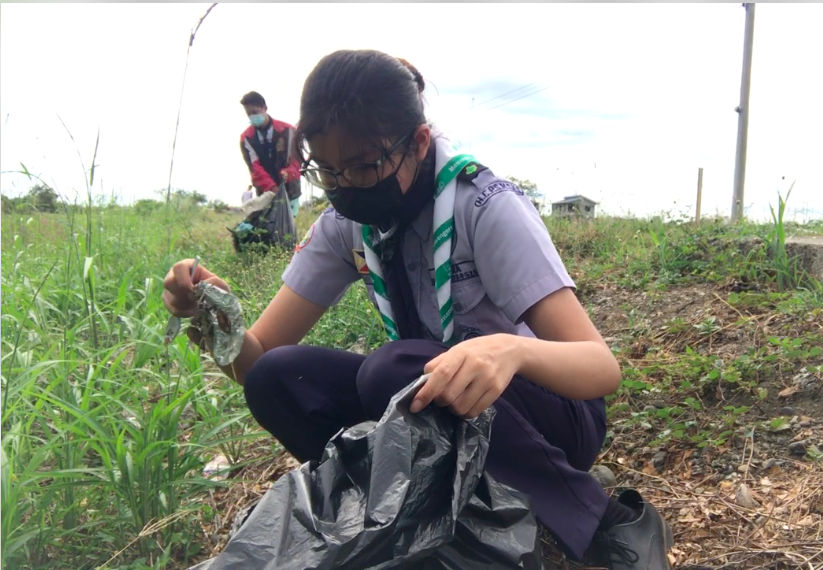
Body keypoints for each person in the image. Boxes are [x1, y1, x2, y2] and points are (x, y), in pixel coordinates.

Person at [165, 50, 673, 569]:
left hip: (547, 416)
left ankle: (604, 523)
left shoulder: (484, 206)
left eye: (364, 166)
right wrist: (214, 319)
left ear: (420, 143)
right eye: (329, 172)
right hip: (446, 403)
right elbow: (257, 361)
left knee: (394, 370)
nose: (346, 187)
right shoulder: (347, 222)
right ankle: (401, 518)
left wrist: (510, 351)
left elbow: (600, 368)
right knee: (279, 377)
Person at [239, 91, 302, 218]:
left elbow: (297, 160)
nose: (252, 116)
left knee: (288, 228)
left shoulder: (288, 131)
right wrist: (272, 188)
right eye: (249, 114)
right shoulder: (247, 138)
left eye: (255, 112)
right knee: (268, 226)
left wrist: (288, 173)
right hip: (266, 193)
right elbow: (254, 168)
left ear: (265, 108)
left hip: (290, 189)